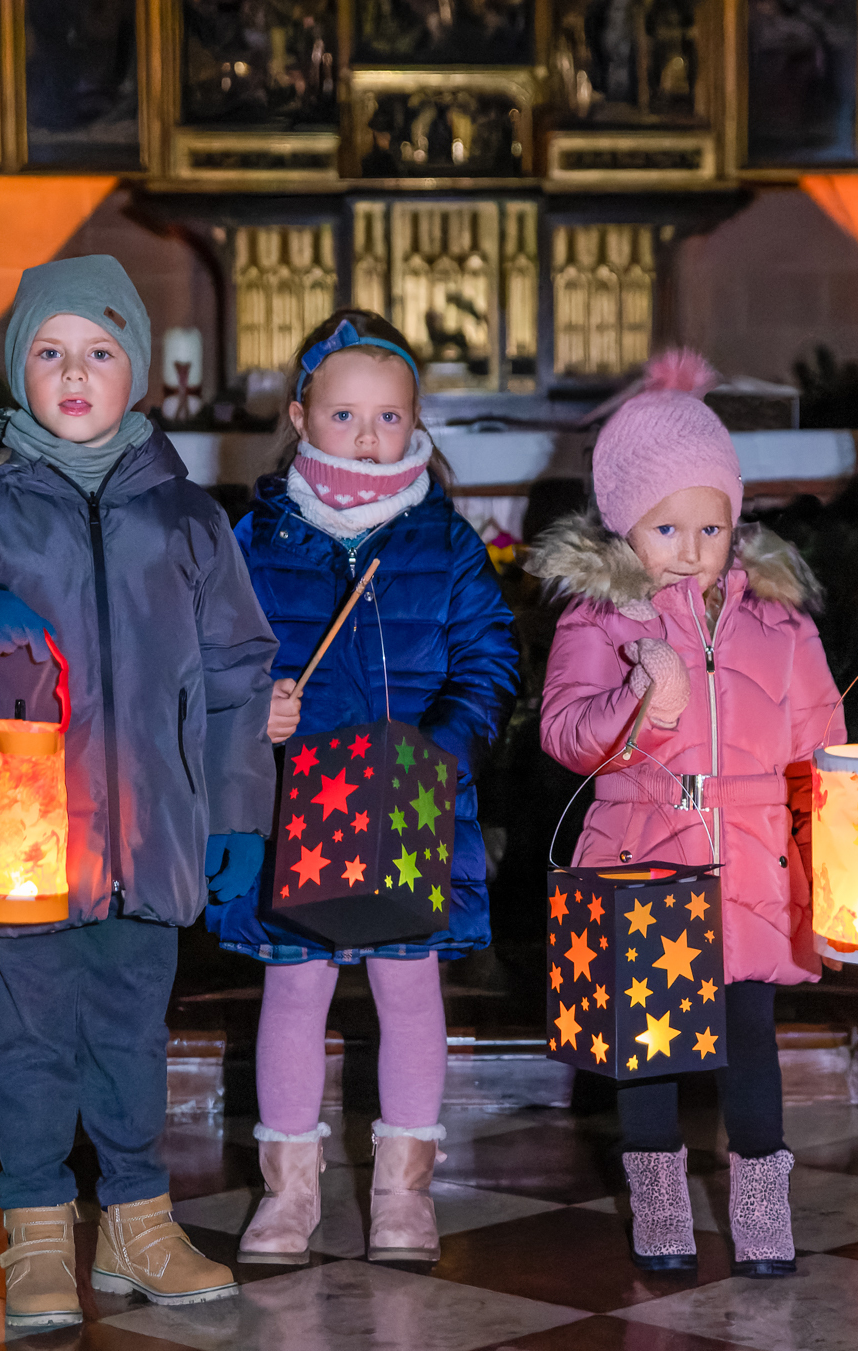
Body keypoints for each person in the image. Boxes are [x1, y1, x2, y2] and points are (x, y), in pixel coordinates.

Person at [0, 256, 276, 1327]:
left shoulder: (188, 519)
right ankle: (35, 1227)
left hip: (151, 835)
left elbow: (239, 671)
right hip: (25, 836)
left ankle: (135, 1222)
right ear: (22, 372)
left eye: (99, 351)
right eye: (50, 352)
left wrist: (236, 812)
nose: (74, 373)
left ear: (136, 372)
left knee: (131, 1034)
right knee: (30, 1040)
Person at [210, 310, 518, 1265]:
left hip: (411, 800)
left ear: (416, 423)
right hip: (297, 802)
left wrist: (437, 755)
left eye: (390, 417)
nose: (368, 436)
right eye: (344, 415)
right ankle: (288, 1193)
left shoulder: (445, 543)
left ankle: (402, 1194)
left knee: (409, 985)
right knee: (294, 988)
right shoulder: (255, 538)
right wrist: (253, 710)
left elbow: (490, 662)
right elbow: (213, 655)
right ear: (301, 417)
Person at [529, 350, 845, 1277]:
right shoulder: (600, 621)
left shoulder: (781, 623)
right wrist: (641, 701)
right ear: (626, 526)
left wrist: (833, 855)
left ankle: (762, 1206)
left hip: (752, 861)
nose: (693, 546)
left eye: (712, 524)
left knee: (751, 1041)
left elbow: (820, 742)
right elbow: (566, 733)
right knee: (651, 1047)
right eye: (667, 527)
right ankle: (660, 1202)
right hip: (644, 854)